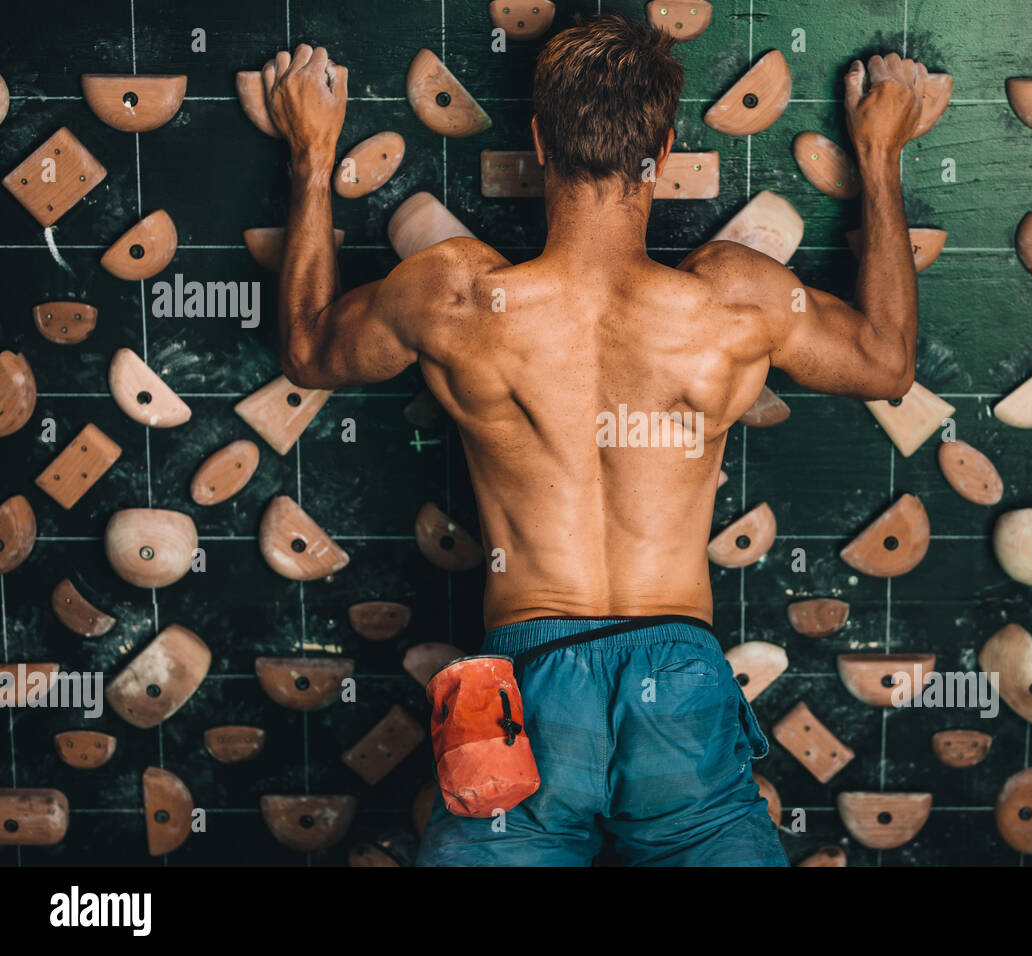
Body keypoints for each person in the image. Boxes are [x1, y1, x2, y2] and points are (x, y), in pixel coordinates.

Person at [264, 13, 922, 866]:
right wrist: (879, 153)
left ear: (539, 141)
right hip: (678, 687)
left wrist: (312, 157)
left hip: (530, 690)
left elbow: (309, 350)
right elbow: (886, 361)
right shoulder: (735, 306)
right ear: (668, 145)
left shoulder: (455, 298)